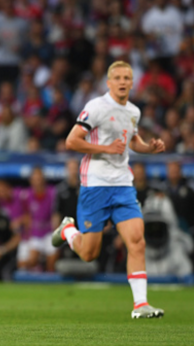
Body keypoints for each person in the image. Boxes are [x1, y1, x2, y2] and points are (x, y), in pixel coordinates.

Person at [51, 61, 166, 319]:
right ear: (109, 82)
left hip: (123, 185)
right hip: (96, 185)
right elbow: (71, 141)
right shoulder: (96, 107)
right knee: (89, 253)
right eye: (118, 77)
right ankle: (68, 230)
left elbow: (131, 141)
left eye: (127, 77)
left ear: (132, 82)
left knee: (137, 241)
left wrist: (149, 147)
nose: (123, 81)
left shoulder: (133, 111)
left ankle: (141, 305)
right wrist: (105, 149)